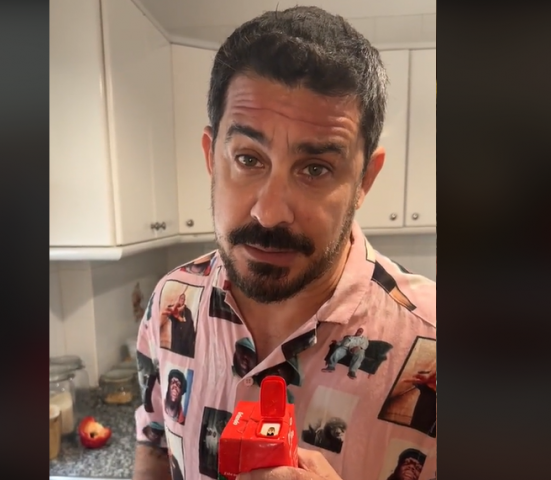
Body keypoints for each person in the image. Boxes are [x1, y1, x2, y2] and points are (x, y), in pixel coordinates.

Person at [133, 6, 436, 480]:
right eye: (248, 159)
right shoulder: (171, 302)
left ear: (364, 180)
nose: (270, 212)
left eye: (315, 168)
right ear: (212, 157)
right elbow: (153, 441)